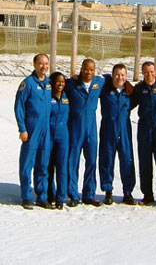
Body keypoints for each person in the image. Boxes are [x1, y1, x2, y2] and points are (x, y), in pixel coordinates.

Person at [14, 53, 54, 209]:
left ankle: (42, 196)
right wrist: (22, 129)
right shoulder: (28, 83)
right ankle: (26, 196)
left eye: (46, 63)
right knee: (27, 163)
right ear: (34, 65)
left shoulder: (50, 83)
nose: (43, 66)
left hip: (46, 131)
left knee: (43, 164)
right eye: (40, 63)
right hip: (32, 129)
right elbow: (19, 107)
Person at [66, 58, 106, 207]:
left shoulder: (99, 82)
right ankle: (73, 194)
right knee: (73, 161)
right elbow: (57, 83)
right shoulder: (71, 84)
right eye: (86, 69)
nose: (88, 72)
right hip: (75, 128)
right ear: (81, 69)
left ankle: (89, 194)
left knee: (91, 161)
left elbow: (112, 78)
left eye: (91, 69)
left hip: (91, 129)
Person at [130, 60, 156, 209]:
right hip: (145, 129)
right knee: (145, 163)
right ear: (142, 73)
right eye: (146, 72)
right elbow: (129, 102)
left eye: (152, 72)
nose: (149, 74)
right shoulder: (139, 88)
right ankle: (147, 195)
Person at [99, 63, 136, 206]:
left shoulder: (131, 91)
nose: (120, 77)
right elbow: (100, 79)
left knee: (127, 160)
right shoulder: (105, 88)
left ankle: (128, 192)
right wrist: (108, 78)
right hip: (108, 128)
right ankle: (108, 191)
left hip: (124, 130)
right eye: (117, 74)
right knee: (107, 159)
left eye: (123, 75)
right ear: (112, 75)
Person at [47, 71, 69, 210]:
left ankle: (61, 197)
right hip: (49, 135)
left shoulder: (68, 96)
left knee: (62, 167)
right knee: (49, 167)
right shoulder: (47, 96)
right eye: (58, 81)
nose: (60, 84)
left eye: (63, 82)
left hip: (63, 135)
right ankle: (50, 195)